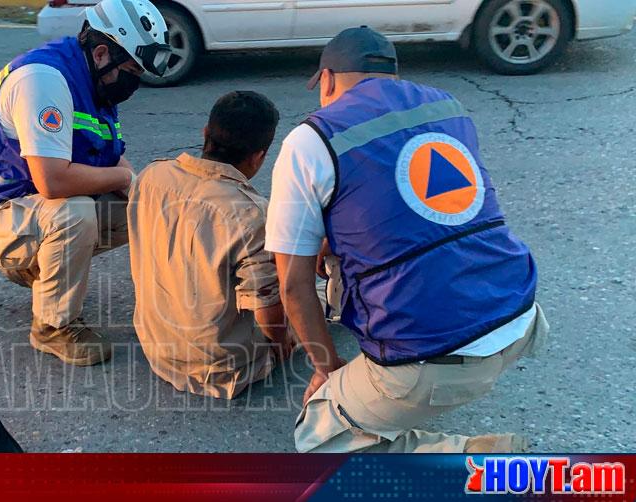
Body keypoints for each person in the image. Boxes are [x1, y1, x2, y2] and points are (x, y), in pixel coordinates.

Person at [265, 27, 549, 453]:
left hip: (433, 355)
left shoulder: (311, 139)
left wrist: (328, 370)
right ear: (393, 76)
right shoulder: (447, 105)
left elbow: (293, 285)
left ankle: (480, 462)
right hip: (520, 314)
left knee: (320, 436)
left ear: (325, 80)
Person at [0, 0, 171, 366]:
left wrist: (145, 194)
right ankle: (53, 328)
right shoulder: (43, 80)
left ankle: (40, 269)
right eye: (131, 71)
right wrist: (126, 178)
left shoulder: (93, 79)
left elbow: (109, 157)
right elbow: (53, 182)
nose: (133, 82)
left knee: (140, 206)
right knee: (73, 212)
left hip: (20, 206)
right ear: (102, 51)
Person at [128, 91, 294, 399]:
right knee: (301, 291)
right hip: (222, 370)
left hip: (156, 347)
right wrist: (283, 342)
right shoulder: (252, 213)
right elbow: (267, 311)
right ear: (259, 155)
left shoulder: (151, 175)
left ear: (205, 134)